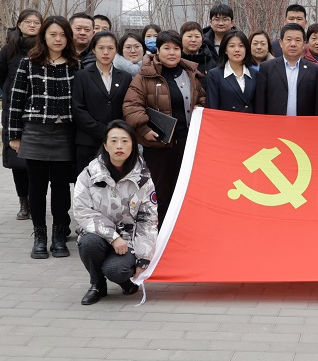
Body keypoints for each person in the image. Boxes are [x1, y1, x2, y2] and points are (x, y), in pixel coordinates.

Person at [7, 15, 79, 259]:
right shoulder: (28, 64)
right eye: (52, 34)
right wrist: (14, 135)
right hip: (35, 133)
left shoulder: (75, 65)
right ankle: (39, 237)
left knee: (61, 188)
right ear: (43, 37)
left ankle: (59, 237)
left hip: (64, 134)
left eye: (63, 35)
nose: (58, 39)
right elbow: (16, 101)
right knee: (36, 188)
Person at [123, 30, 206, 225]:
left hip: (186, 144)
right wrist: (144, 130)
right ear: (157, 51)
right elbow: (131, 106)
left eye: (176, 48)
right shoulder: (145, 76)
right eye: (166, 48)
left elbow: (201, 98)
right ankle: (159, 233)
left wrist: (200, 109)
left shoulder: (190, 74)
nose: (172, 53)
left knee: (183, 190)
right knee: (160, 192)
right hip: (158, 144)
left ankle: (180, 230)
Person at [72, 121, 156, 305]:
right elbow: (82, 211)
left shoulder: (143, 179)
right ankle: (97, 284)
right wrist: (112, 237)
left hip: (129, 239)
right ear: (105, 145)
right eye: (114, 141)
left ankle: (126, 281)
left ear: (133, 146)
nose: (119, 146)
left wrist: (144, 259)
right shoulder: (88, 174)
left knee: (116, 270)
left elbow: (148, 220)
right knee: (88, 243)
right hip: (98, 234)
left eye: (125, 141)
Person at [0, 8, 42, 220]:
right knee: (18, 160)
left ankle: (37, 199)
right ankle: (24, 202)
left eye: (36, 22)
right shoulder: (9, 49)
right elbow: (0, 75)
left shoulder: (45, 48)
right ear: (19, 24)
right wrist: (13, 94)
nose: (32, 25)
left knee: (38, 161)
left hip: (39, 110)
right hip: (13, 110)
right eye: (28, 22)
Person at [71, 30, 131, 174]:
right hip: (88, 141)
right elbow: (78, 108)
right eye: (101, 48)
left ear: (116, 50)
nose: (106, 52)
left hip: (117, 143)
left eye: (110, 48)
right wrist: (103, 130)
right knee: (88, 182)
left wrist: (116, 131)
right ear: (93, 50)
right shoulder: (82, 76)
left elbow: (128, 105)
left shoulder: (125, 77)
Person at [254, 23, 318, 116]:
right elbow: (260, 102)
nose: (293, 44)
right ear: (281, 43)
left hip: (304, 123)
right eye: (288, 39)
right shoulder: (267, 68)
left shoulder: (315, 70)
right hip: (274, 123)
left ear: (304, 44)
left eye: (298, 40)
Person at [205, 29, 258, 113]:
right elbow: (212, 108)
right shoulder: (214, 75)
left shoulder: (255, 74)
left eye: (241, 46)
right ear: (225, 50)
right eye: (232, 46)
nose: (237, 49)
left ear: (246, 49)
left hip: (251, 120)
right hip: (225, 120)